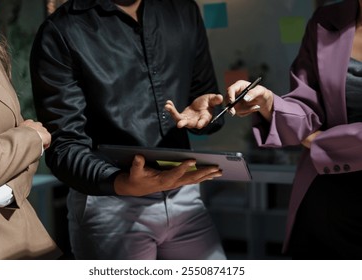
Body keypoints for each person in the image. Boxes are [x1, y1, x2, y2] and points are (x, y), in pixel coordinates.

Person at [30, 0, 226, 260]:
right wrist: (120, 182)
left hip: (185, 196)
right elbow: (64, 148)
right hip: (109, 204)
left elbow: (205, 100)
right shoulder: (61, 30)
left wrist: (208, 115)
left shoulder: (183, 9)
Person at [223, 0, 362, 259]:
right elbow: (307, 105)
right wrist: (269, 102)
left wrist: (321, 142)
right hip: (324, 201)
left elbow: (313, 136)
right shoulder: (327, 19)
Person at [0, 0, 61, 259]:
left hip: (23, 234)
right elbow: (31, 136)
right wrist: (30, 138)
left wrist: (4, 191)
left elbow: (29, 142)